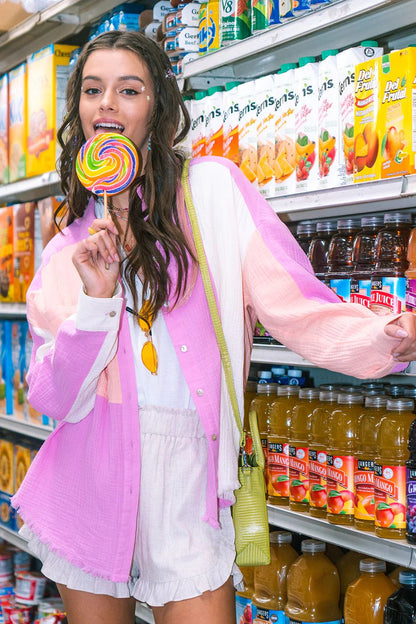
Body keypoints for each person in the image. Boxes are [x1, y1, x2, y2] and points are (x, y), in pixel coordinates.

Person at [10, 30, 416, 624]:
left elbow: (295, 306)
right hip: (91, 480)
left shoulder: (214, 192)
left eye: (129, 89)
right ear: (78, 112)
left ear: (158, 109)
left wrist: (388, 335)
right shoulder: (69, 249)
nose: (107, 104)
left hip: (191, 482)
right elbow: (50, 397)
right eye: (93, 90)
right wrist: (96, 304)